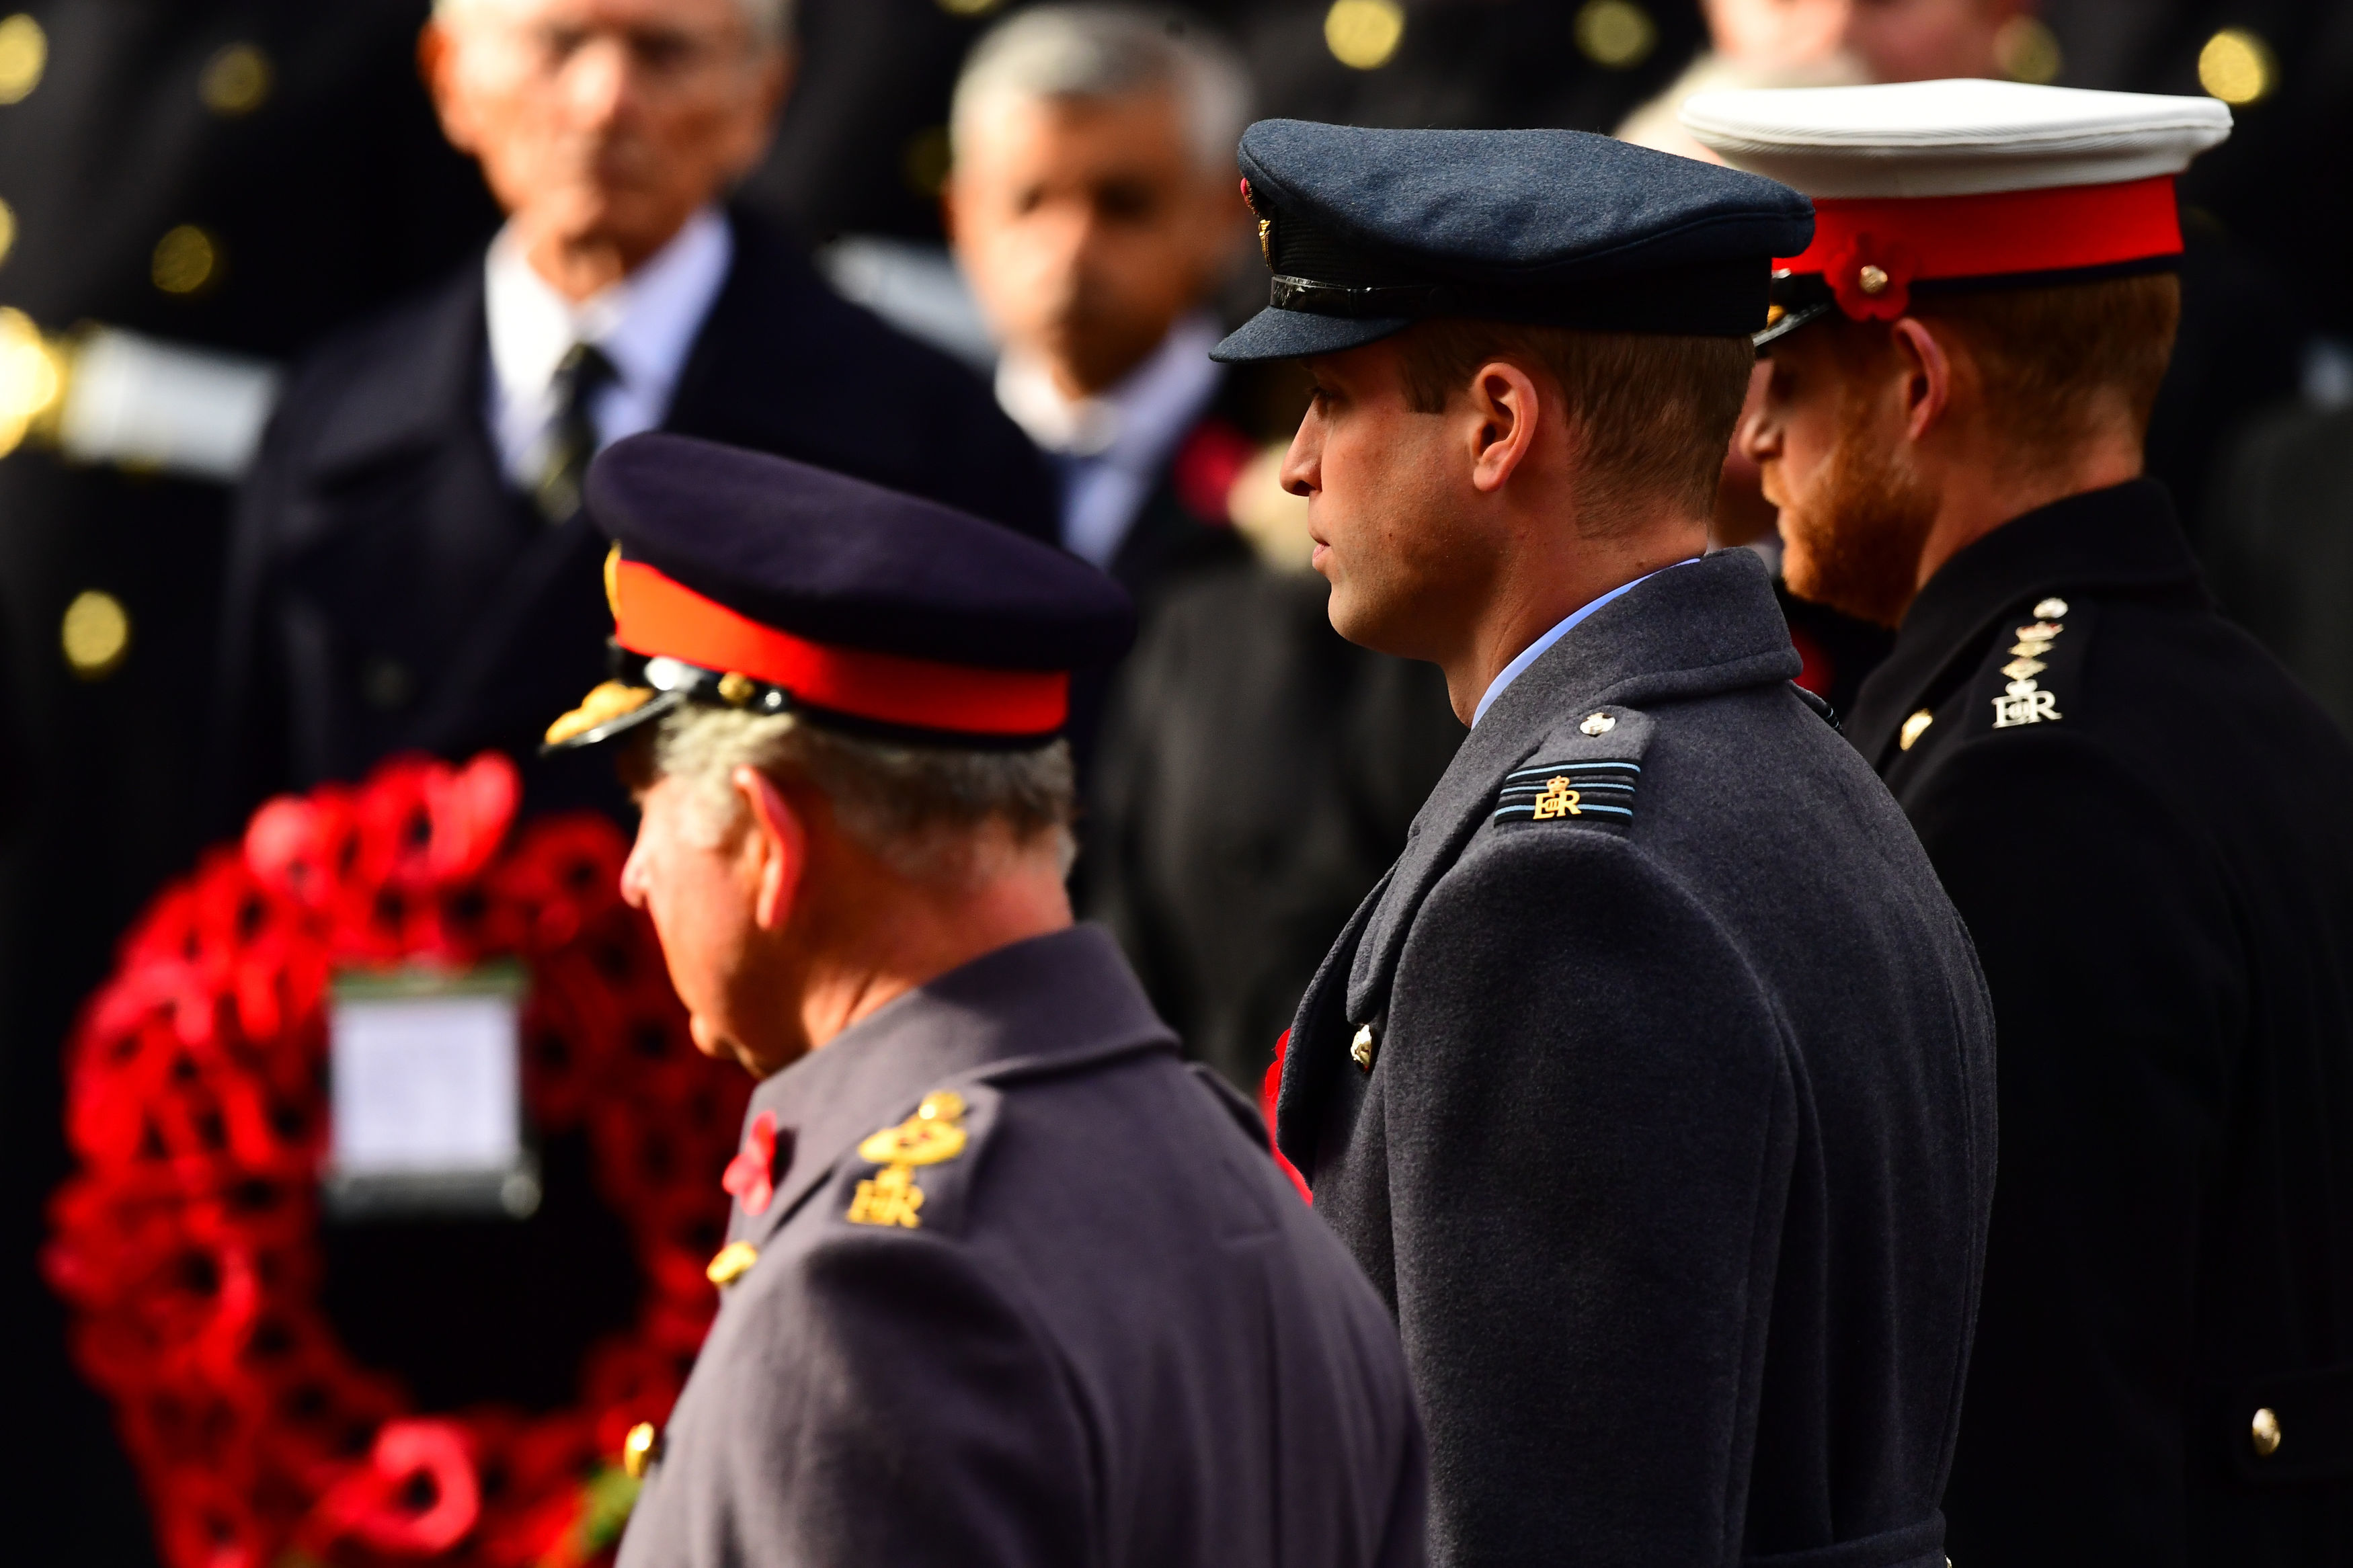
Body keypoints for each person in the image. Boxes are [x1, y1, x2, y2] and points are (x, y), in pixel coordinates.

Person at [1232, 120, 1998, 1565]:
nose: (1296, 465)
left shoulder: (1559, 894)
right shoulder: (1796, 766)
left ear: (1497, 424)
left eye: (1334, 396)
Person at [535, 430, 1427, 1567]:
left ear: (768, 842)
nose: (634, 871)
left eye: (648, 803)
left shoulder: (869, 1303)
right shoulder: (1250, 1188)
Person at [1700, 78, 2353, 1562]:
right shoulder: (2230, 699)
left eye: (1788, 379)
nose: (1755, 442)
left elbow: (2030, 1424)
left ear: (1915, 382)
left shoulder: (2022, 788)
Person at [207, 0, 1056, 834]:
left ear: (762, 93)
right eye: (556, 44)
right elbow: (251, 812)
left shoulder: (921, 437)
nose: (605, 98)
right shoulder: (329, 420)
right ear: (449, 77)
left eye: (664, 53)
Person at [943, 7, 1257, 667]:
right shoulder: (891, 453)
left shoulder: (1304, 463)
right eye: (1028, 201)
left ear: (1222, 218)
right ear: (961, 216)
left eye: (1123, 202)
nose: (1070, 248)